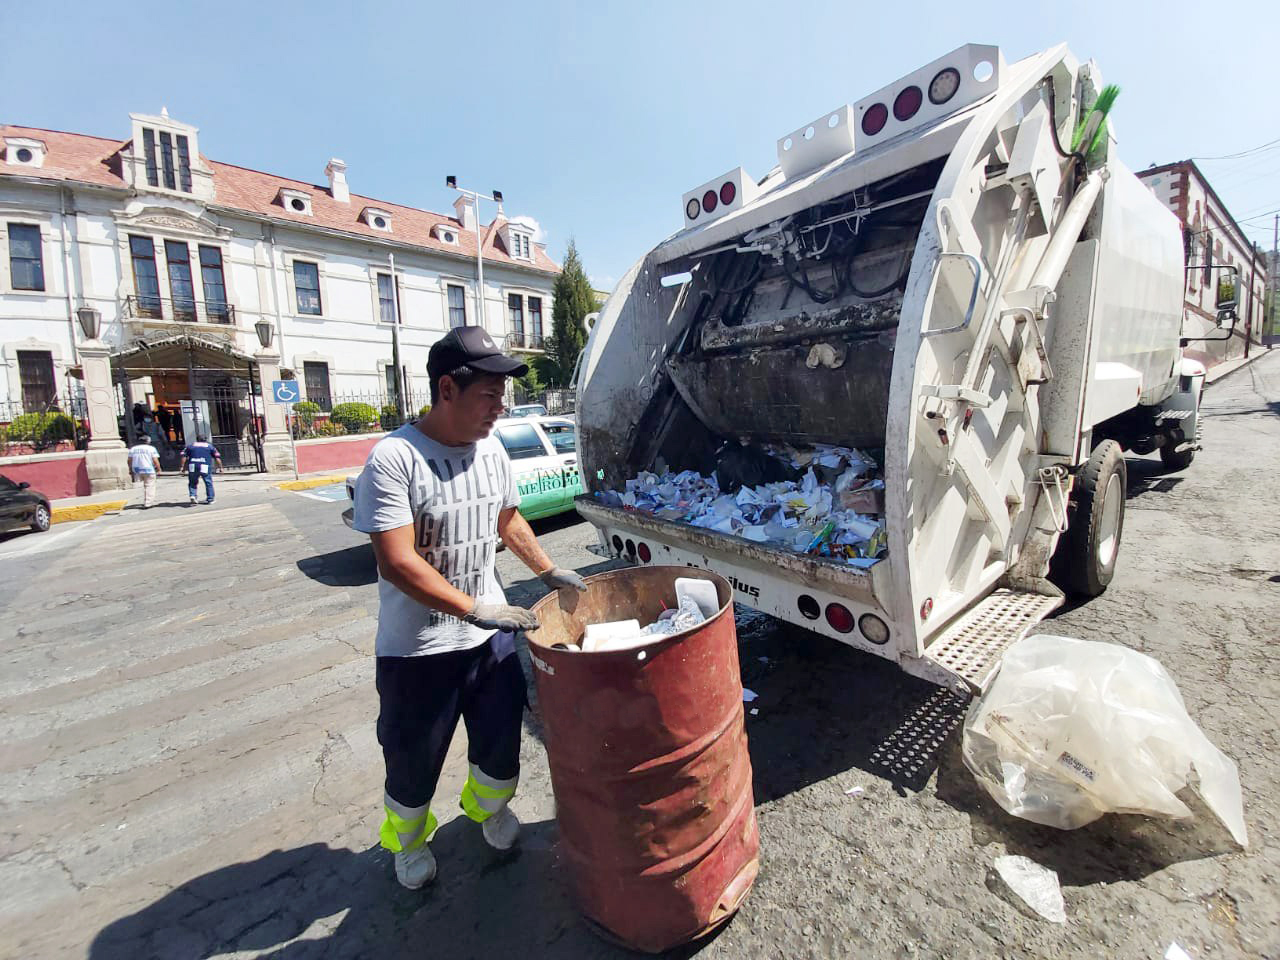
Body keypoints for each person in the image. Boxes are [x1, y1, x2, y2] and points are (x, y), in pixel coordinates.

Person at [352, 326, 587, 891]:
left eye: (502, 396)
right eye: (489, 394)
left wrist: (545, 569)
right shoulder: (394, 460)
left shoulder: (492, 451)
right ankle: (408, 842)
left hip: (490, 641)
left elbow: (507, 520)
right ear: (447, 390)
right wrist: (472, 607)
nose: (499, 407)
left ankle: (489, 809)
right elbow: (396, 562)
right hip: (418, 651)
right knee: (412, 759)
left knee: (502, 741)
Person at [180, 433, 221, 504]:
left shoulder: (190, 446)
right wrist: (221, 467)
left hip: (192, 465)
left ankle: (193, 495)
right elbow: (217, 457)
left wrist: (182, 467)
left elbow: (184, 456)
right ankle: (210, 499)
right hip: (204, 466)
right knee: (208, 482)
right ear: (205, 439)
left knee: (192, 482)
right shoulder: (209, 446)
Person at [127, 436, 161, 509]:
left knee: (144, 485)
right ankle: (148, 503)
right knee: (150, 485)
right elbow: (155, 460)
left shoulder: (133, 449)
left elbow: (129, 460)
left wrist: (130, 469)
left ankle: (146, 500)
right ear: (148, 441)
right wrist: (159, 469)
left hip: (137, 470)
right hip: (148, 469)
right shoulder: (151, 448)